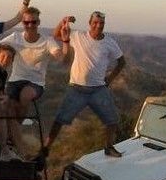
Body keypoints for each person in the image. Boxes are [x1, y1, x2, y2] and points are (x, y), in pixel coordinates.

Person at [0, 6, 67, 161]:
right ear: (23, 23)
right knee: (4, 107)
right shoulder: (15, 37)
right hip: (15, 81)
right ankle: (15, 148)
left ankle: (13, 138)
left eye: (33, 22)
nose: (29, 25)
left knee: (25, 95)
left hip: (36, 83)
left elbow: (60, 57)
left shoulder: (47, 41)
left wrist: (64, 44)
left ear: (38, 22)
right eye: (26, 22)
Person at [44, 11, 127, 157]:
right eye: (95, 22)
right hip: (76, 87)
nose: (98, 25)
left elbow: (122, 62)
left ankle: (108, 147)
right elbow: (56, 35)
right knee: (60, 119)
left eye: (101, 23)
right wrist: (64, 20)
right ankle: (45, 149)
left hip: (98, 89)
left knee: (112, 120)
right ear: (90, 24)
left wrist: (110, 78)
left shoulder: (110, 42)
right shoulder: (78, 36)